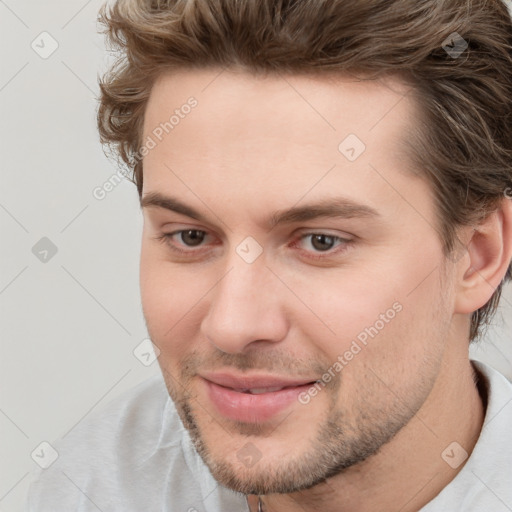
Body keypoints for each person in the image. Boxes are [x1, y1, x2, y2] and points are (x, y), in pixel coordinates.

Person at [25, 0, 512, 511]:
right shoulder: (98, 483)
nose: (233, 325)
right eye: (191, 236)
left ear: (478, 256)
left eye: (321, 241)